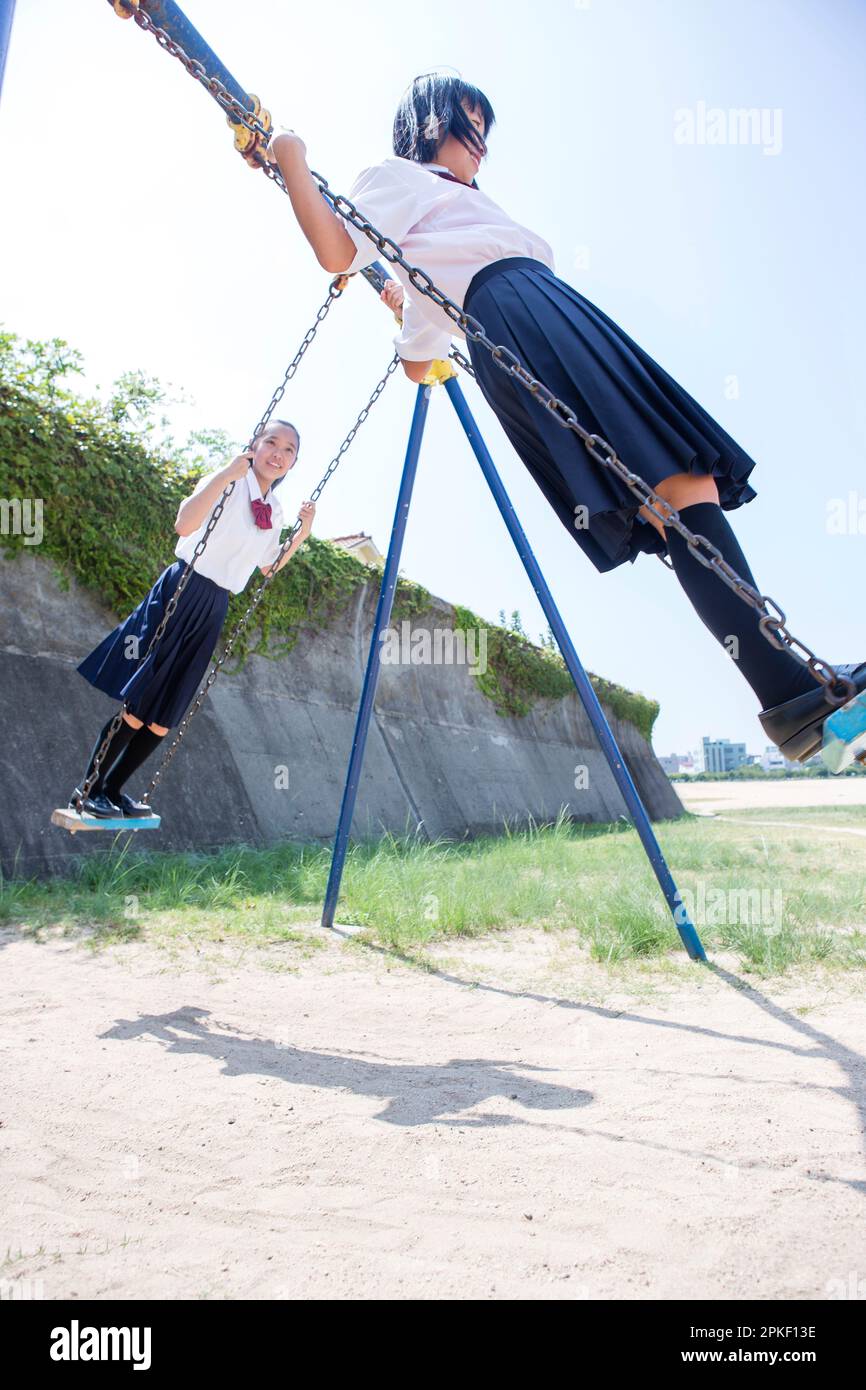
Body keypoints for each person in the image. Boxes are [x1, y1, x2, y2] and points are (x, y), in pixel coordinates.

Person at [267, 73, 864, 766]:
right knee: (679, 491)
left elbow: (418, 354)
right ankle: (789, 692)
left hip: (544, 312)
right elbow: (340, 253)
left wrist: (410, 307)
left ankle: (790, 696)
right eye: (469, 119)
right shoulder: (397, 177)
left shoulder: (459, 208)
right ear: (429, 121)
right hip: (521, 320)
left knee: (677, 508)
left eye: (487, 125)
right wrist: (290, 153)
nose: (482, 138)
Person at [72, 421, 315, 817]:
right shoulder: (231, 481)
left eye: (289, 449)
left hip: (215, 605)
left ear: (292, 462)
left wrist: (302, 534)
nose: (278, 453)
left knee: (165, 713)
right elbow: (184, 525)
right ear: (254, 444)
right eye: (271, 442)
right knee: (140, 702)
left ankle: (114, 790)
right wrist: (226, 474)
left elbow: (268, 568)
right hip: (182, 589)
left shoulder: (275, 510)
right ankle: (88, 790)